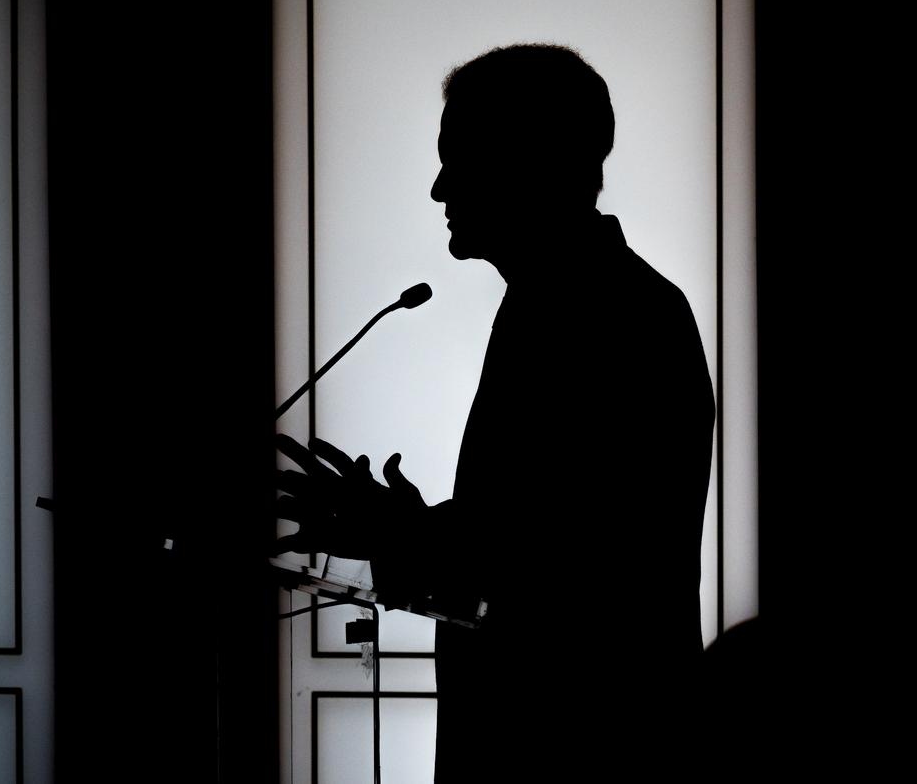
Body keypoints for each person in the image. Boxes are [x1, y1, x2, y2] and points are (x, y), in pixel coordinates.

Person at [276, 43, 715, 781]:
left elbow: (589, 566)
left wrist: (407, 531)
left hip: (586, 742)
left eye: (460, 158)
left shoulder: (627, 317)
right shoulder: (549, 305)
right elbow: (532, 525)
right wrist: (411, 528)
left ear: (531, 160)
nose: (439, 188)